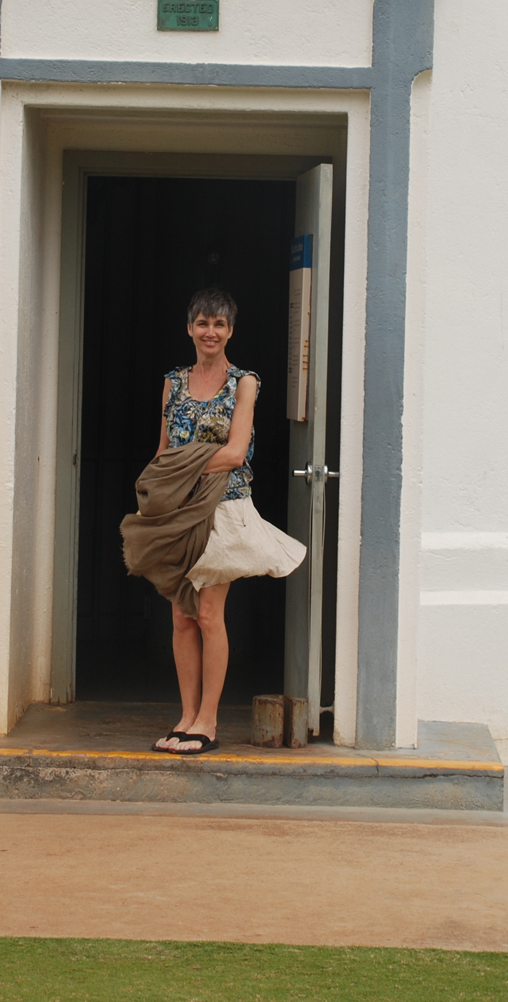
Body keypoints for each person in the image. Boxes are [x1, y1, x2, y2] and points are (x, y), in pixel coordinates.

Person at [146, 287, 306, 756]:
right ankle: (186, 717)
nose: (210, 332)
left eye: (219, 324)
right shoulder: (173, 383)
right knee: (181, 616)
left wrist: (180, 466)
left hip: (223, 509)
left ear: (230, 330)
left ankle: (208, 721)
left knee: (209, 614)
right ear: (189, 328)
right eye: (202, 323)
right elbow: (162, 451)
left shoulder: (244, 383)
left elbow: (235, 454)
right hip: (177, 512)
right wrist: (156, 493)